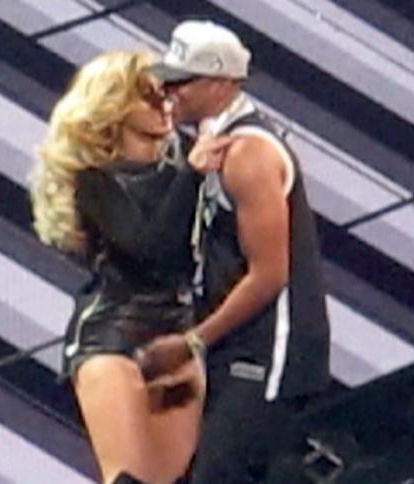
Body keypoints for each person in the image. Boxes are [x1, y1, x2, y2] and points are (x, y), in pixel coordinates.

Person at [141, 21, 331, 482]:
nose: (169, 91)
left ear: (221, 83)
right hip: (240, 349)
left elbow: (270, 275)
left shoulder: (248, 155)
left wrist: (192, 342)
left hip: (270, 353)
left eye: (182, 81)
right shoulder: (210, 147)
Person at [29, 50, 225, 484]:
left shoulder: (187, 162)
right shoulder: (94, 179)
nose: (164, 104)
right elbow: (146, 249)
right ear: (113, 105)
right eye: (147, 96)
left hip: (176, 335)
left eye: (165, 93)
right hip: (113, 337)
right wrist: (192, 177)